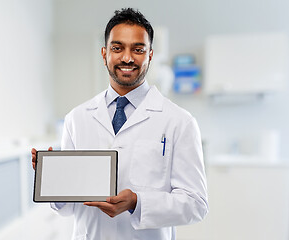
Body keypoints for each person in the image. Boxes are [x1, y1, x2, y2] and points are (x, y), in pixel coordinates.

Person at [31, 8, 208, 240]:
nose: (127, 57)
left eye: (138, 49)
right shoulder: (78, 118)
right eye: (117, 48)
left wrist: (137, 202)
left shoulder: (179, 121)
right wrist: (52, 179)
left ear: (150, 55)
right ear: (104, 53)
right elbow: (68, 207)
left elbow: (195, 204)